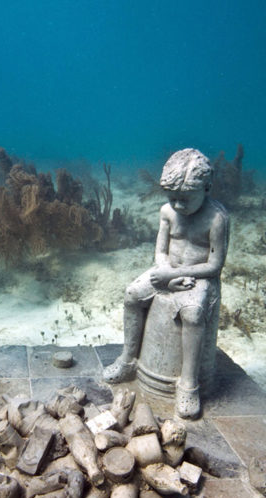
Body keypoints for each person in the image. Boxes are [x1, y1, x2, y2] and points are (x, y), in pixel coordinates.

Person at [103, 148, 229, 418]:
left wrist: (172, 277)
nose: (179, 205)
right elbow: (160, 250)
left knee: (193, 315)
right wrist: (164, 271)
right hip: (167, 270)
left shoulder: (216, 218)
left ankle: (188, 384)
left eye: (185, 199)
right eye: (173, 199)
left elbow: (215, 265)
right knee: (132, 295)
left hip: (198, 277)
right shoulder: (167, 212)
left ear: (206, 188)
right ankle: (128, 360)